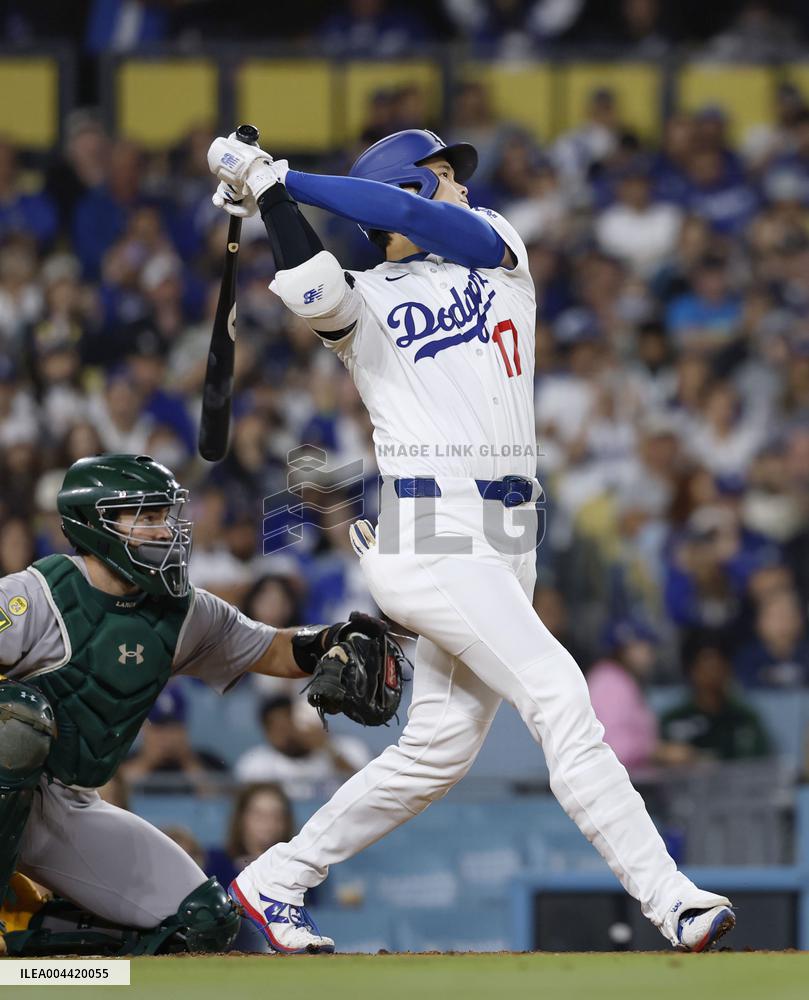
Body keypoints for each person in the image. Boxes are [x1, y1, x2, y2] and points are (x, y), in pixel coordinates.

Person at [207, 126, 735, 955]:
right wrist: (270, 197)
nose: (457, 187)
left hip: (507, 538)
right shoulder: (360, 294)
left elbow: (403, 211)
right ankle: (670, 899)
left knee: (437, 750)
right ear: (412, 190)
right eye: (442, 175)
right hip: (431, 531)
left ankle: (273, 879)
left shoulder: (498, 254)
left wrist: (282, 176)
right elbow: (313, 286)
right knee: (559, 696)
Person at [0, 452, 387, 956]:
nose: (165, 530)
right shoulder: (34, 595)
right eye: (146, 516)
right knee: (18, 720)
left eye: (166, 514)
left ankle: (40, 962)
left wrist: (333, 640)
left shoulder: (182, 612)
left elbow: (271, 646)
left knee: (203, 923)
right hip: (13, 782)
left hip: (65, 804)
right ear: (96, 523)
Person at [234, 693, 371, 797]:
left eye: (291, 723)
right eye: (279, 728)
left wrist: (326, 747)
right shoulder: (255, 765)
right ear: (267, 732)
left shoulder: (350, 748)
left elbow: (369, 790)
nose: (288, 733)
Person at [661, 633, 772, 761]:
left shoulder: (745, 718)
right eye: (706, 666)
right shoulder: (673, 719)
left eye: (718, 666)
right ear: (690, 670)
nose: (713, 674)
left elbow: (762, 766)